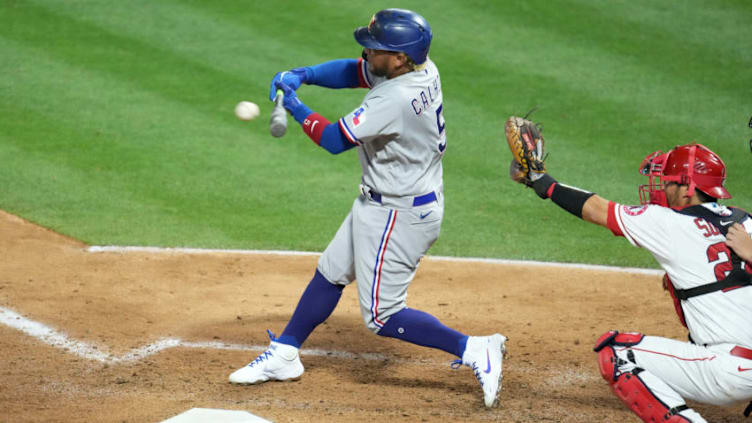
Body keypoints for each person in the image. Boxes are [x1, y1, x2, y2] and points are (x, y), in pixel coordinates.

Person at [229, 9, 506, 408]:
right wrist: (303, 73)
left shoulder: (395, 98)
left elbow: (333, 139)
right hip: (386, 200)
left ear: (397, 58)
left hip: (399, 213)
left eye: (374, 48)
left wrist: (295, 105)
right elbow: (354, 72)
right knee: (331, 272)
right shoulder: (420, 67)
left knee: (383, 316)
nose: (366, 51)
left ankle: (474, 348)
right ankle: (285, 353)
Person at [514, 141, 752, 422]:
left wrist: (542, 182)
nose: (662, 188)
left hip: (730, 373)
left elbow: (596, 209)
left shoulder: (666, 222)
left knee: (617, 354)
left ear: (688, 188)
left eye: (669, 182)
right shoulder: (744, 221)